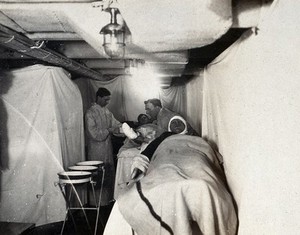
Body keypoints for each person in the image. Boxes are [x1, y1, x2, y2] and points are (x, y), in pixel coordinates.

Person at [85, 87, 121, 223]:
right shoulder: (90, 113)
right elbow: (94, 134)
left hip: (106, 148)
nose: (107, 102)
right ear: (99, 97)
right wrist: (109, 130)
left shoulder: (106, 112)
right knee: (98, 176)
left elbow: (115, 124)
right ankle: (96, 206)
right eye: (105, 99)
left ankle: (106, 203)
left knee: (107, 175)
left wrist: (124, 128)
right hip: (96, 149)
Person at [122, 116, 190, 184]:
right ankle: (135, 136)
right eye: (173, 122)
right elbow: (151, 148)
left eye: (180, 122)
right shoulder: (166, 135)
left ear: (185, 126)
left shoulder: (191, 138)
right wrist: (140, 164)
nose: (177, 124)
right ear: (169, 127)